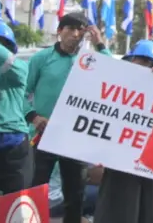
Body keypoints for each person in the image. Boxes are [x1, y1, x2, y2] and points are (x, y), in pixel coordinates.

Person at [27, 12, 110, 223]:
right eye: (69, 29)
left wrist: (100, 44)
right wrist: (34, 117)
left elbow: (112, 75)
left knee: (75, 194)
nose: (74, 34)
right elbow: (23, 93)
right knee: (36, 190)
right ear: (59, 31)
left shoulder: (89, 60)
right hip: (43, 134)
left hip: (74, 136)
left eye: (79, 30)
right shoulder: (41, 59)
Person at [95, 40, 153, 223]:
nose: (141, 66)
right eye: (137, 61)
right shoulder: (116, 86)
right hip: (121, 168)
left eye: (147, 62)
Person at [0, 22, 31, 195]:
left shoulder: (19, 68)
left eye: (1, 43)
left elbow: (6, 59)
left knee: (16, 205)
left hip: (12, 141)